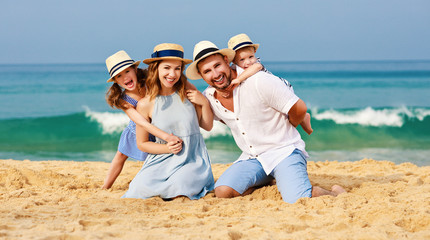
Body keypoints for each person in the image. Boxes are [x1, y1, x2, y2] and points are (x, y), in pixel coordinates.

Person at [185, 40, 345, 203]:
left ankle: (333, 193)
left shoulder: (258, 81)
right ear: (202, 76)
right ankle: (270, 178)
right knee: (223, 191)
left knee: (296, 200)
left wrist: (288, 127)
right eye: (207, 71)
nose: (215, 74)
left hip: (284, 152)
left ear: (226, 61)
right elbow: (226, 121)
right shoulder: (210, 97)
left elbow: (300, 108)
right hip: (253, 158)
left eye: (217, 65)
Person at [122, 43, 214, 200]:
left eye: (177, 68)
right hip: (161, 160)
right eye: (167, 68)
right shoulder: (145, 104)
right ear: (156, 68)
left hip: (192, 160)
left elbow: (207, 125)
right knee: (139, 187)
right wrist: (167, 148)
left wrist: (204, 102)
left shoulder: (188, 94)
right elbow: (142, 144)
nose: (172, 74)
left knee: (180, 186)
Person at [102, 50, 182, 189]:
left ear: (135, 69)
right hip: (138, 129)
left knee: (157, 158)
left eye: (127, 71)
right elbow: (141, 122)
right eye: (119, 76)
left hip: (159, 124)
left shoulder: (148, 82)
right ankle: (105, 186)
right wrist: (164, 136)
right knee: (121, 155)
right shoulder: (124, 100)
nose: (125, 78)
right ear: (115, 81)